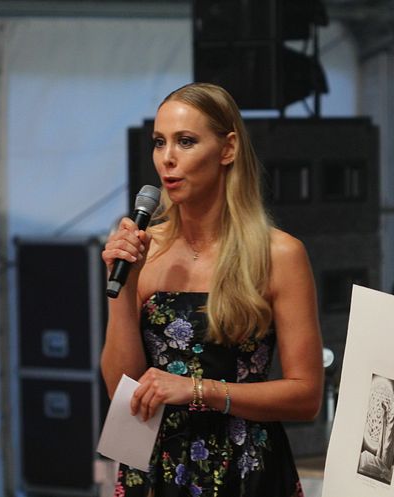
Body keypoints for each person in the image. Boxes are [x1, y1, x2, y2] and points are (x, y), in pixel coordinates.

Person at [100, 82, 324, 497]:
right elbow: (121, 389)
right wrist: (122, 288)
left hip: (243, 466)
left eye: (186, 142)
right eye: (159, 142)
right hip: (154, 464)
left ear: (228, 149)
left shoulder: (279, 254)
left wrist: (197, 390)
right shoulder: (147, 248)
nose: (167, 159)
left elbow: (306, 396)